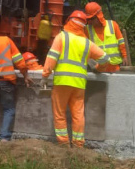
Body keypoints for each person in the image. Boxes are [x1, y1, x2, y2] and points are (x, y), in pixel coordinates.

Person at [41, 10, 109, 148]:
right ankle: (78, 145)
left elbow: (51, 58)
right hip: (79, 84)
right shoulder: (86, 43)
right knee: (78, 115)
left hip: (62, 83)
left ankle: (64, 144)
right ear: (83, 26)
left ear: (69, 22)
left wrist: (45, 76)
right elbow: (105, 58)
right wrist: (99, 68)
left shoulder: (62, 37)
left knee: (59, 114)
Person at [84, 1, 130, 72]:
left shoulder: (113, 25)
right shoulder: (87, 29)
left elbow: (121, 42)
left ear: (99, 16)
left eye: (92, 18)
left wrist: (125, 56)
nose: (91, 21)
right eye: (89, 19)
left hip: (114, 66)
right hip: (98, 69)